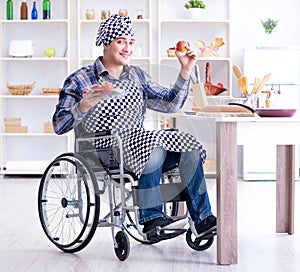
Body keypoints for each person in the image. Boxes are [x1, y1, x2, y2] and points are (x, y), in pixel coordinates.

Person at [53, 14, 216, 240]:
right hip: (102, 151)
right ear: (106, 43)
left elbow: (170, 104)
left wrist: (185, 70)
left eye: (131, 42)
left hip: (140, 147)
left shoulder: (138, 77)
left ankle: (203, 219)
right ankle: (150, 218)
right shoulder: (81, 79)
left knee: (185, 143)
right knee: (155, 144)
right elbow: (59, 125)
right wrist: (84, 104)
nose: (127, 48)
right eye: (121, 41)